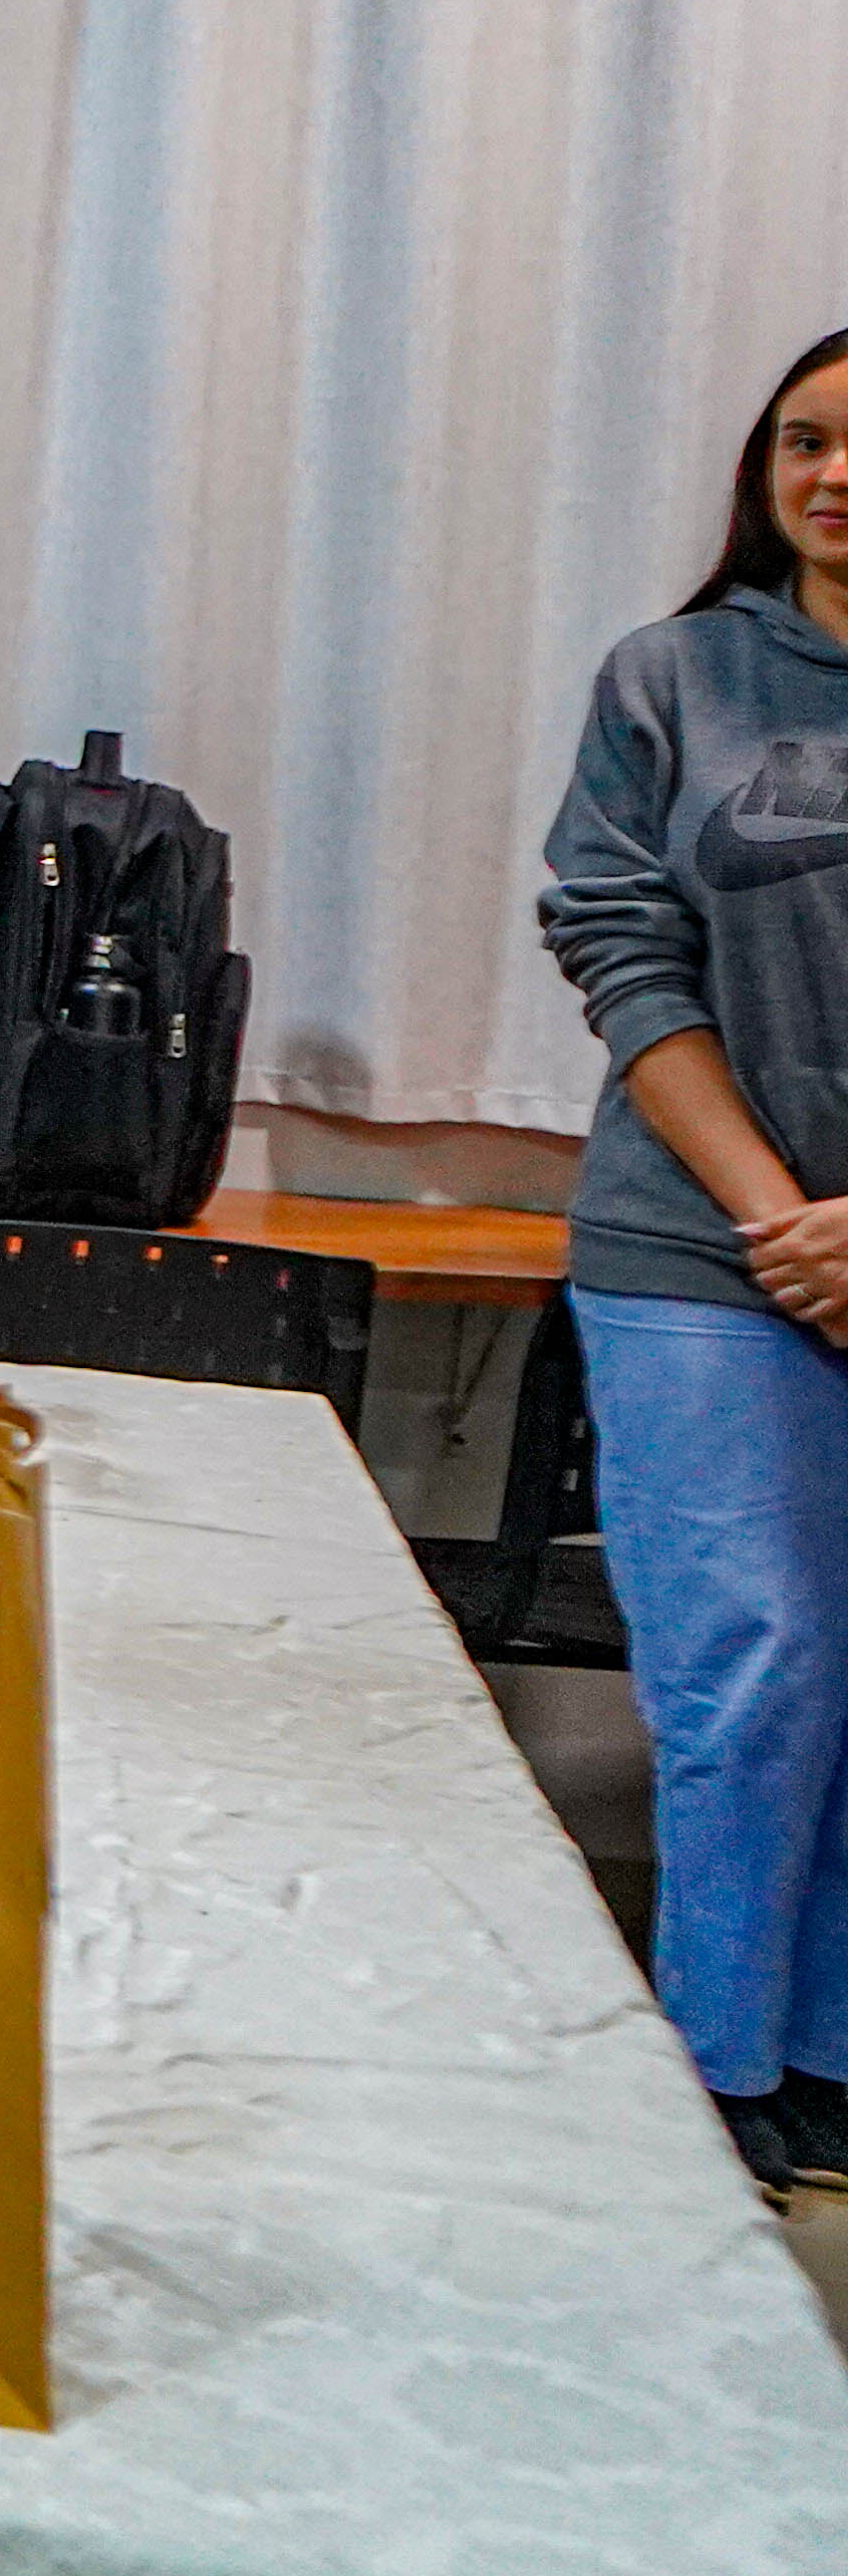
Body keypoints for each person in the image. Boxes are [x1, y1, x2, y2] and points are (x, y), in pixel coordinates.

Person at [540, 321, 848, 2197]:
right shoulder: (676, 674)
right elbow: (616, 940)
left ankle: (825, 2053)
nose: (832, 476)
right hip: (699, 1247)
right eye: (805, 440)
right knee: (760, 1654)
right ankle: (714, 2065)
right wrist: (778, 1217)